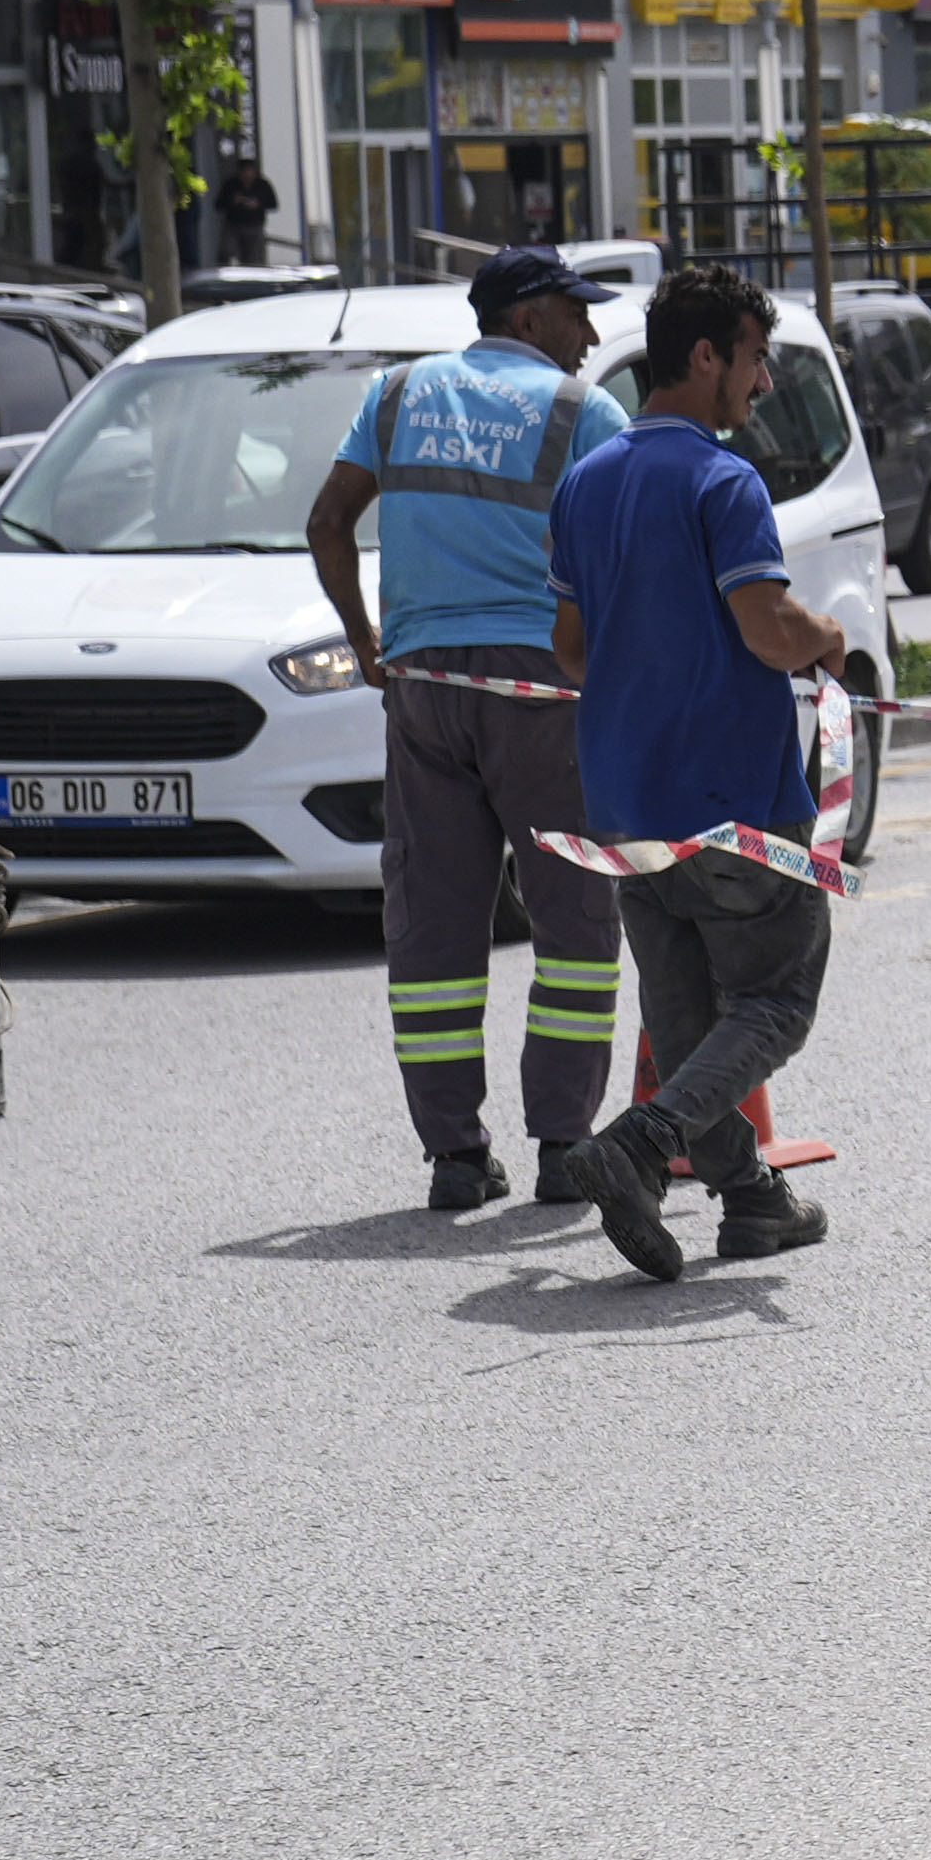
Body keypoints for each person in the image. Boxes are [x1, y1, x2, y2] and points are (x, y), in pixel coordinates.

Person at [305, 241, 626, 1213]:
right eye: (576, 311)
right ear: (526, 317)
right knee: (574, 918)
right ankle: (563, 1144)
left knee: (435, 920)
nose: (592, 333)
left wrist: (367, 643)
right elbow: (631, 549)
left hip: (425, 687)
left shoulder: (396, 396)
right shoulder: (583, 412)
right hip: (543, 693)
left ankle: (454, 1154)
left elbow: (328, 522)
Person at [547, 262, 846, 1279]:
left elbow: (572, 651)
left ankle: (750, 1198)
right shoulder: (725, 482)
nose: (762, 385)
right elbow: (768, 631)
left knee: (683, 1014)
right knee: (775, 996)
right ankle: (638, 1144)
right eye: (755, 358)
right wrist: (827, 633)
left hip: (626, 803)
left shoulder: (586, 484)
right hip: (731, 802)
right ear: (707, 354)